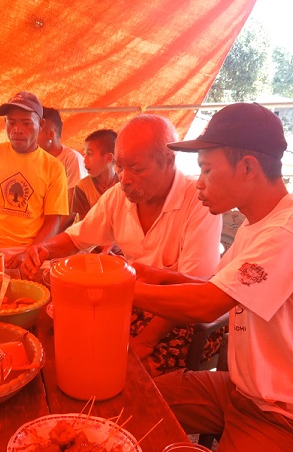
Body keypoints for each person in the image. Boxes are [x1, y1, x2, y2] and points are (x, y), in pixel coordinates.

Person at [133, 102, 293, 452]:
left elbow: (207, 306)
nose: (199, 183)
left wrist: (119, 289)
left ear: (247, 167)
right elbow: (217, 288)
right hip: (239, 391)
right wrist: (154, 275)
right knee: (138, 400)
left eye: (208, 169)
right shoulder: (256, 225)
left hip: (285, 419)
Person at [22, 114, 222, 375]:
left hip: (182, 318)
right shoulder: (118, 196)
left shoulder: (199, 202)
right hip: (133, 302)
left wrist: (146, 340)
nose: (124, 179)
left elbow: (193, 294)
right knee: (59, 328)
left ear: (169, 160)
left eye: (137, 169)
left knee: (127, 370)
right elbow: (76, 238)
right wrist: (44, 249)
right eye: (119, 167)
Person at [0, 92, 68, 267]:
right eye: (11, 122)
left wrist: (32, 251)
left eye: (26, 123)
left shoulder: (54, 168)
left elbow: (53, 219)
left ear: (41, 125)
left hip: (30, 251)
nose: (17, 129)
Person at [37, 107, 85, 228]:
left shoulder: (72, 159)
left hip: (62, 232)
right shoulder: (33, 159)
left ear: (50, 134)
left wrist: (50, 235)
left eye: (36, 131)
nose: (30, 135)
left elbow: (72, 207)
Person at [72, 129, 118, 222]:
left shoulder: (123, 184)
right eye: (84, 154)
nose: (85, 160)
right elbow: (85, 225)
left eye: (89, 154)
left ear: (108, 158)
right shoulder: (83, 188)